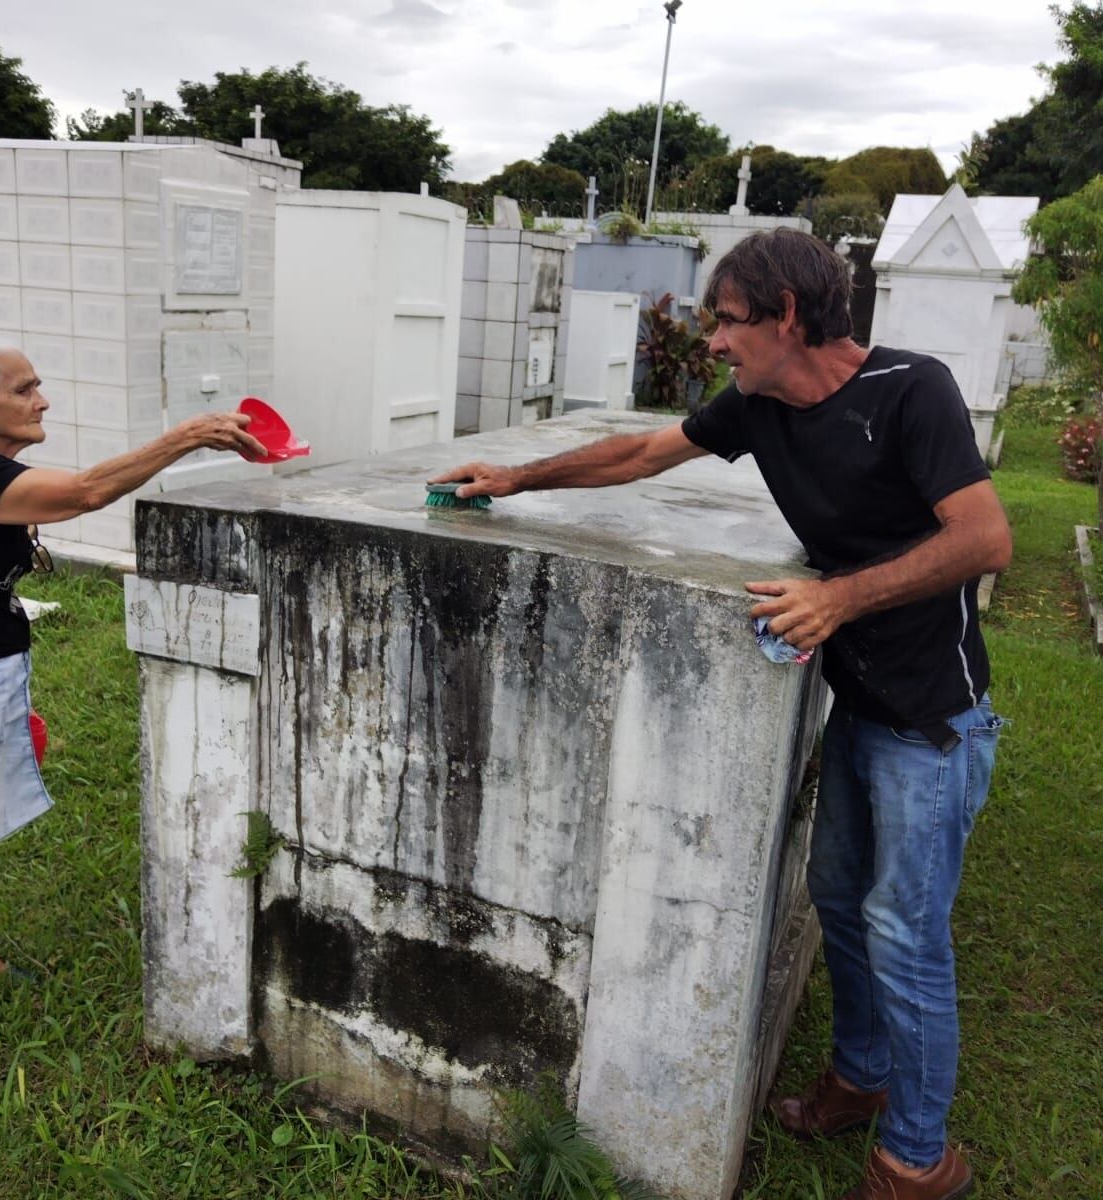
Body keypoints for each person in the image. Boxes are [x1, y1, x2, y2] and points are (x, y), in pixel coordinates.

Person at [432, 229, 1010, 1200]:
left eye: (727, 321)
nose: (713, 342)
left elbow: (985, 538)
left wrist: (839, 598)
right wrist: (516, 478)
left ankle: (919, 1159)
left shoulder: (913, 391)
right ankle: (862, 1078)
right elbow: (640, 454)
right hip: (863, 712)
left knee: (905, 931)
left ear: (787, 316)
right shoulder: (759, 406)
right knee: (839, 904)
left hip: (935, 724)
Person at [0, 335, 266, 1041]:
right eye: (24, 389)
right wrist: (190, 435)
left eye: (37, 385)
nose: (41, 399)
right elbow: (87, 492)